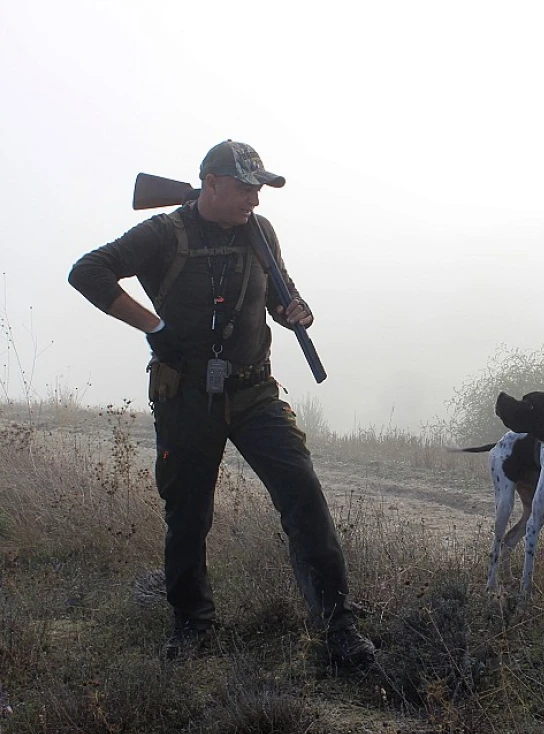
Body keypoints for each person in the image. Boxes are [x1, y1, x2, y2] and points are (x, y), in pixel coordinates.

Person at [68, 140, 375, 667]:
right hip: (186, 394)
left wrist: (292, 308)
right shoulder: (163, 233)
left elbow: (278, 292)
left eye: (259, 188)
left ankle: (338, 628)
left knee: (304, 499)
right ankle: (192, 623)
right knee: (187, 515)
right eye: (245, 187)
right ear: (210, 183)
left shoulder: (260, 231)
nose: (255, 199)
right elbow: (88, 272)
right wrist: (153, 326)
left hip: (254, 392)